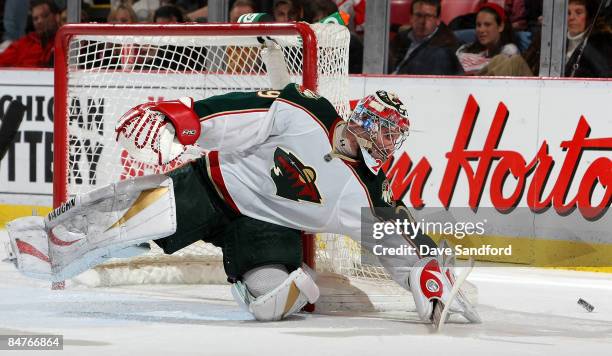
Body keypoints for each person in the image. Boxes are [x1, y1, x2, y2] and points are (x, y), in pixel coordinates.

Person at [6, 44, 479, 325]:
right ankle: (49, 244)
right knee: (132, 216)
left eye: (395, 134)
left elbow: (401, 240)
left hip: (266, 228)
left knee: (271, 302)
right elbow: (241, 111)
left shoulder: (368, 195)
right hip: (214, 186)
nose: (390, 141)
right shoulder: (306, 110)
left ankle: (290, 283)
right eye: (387, 130)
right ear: (365, 122)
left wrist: (428, 278)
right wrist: (181, 121)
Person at [389, 0, 464, 75]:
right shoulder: (401, 37)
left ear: (438, 20)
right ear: (411, 17)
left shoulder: (445, 47)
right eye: (418, 15)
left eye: (429, 16)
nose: (423, 21)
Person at [455, 2, 521, 75]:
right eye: (478, 25)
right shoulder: (464, 49)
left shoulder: (509, 50)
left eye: (487, 25)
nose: (481, 30)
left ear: (500, 27)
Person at [0, 0, 59, 68]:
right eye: (35, 19)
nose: (39, 21)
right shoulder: (23, 44)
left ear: (57, 17)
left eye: (44, 16)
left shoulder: (65, 41)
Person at [565, 0, 612, 78]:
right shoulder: (555, 40)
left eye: (578, 12)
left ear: (589, 16)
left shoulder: (603, 44)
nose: (571, 18)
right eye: (568, 13)